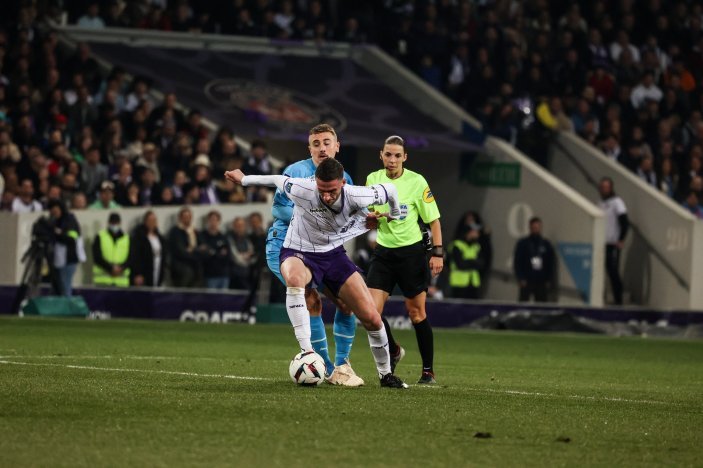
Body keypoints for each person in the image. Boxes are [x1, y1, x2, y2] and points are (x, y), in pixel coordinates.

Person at [225, 158, 408, 388]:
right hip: (298, 251)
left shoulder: (357, 195)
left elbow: (390, 190)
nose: (327, 196)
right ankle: (307, 352)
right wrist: (243, 179)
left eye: (331, 191)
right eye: (322, 190)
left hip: (333, 255)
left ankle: (385, 375)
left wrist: (394, 214)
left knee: (371, 317)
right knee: (294, 279)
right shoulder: (304, 189)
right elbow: (276, 180)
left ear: (342, 183)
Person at [262, 124, 363, 386]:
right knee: (311, 299)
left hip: (323, 251)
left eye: (326, 142)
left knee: (346, 303)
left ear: (337, 146)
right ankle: (325, 367)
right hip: (287, 246)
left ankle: (342, 365)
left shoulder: (345, 178)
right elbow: (278, 210)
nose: (322, 148)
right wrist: (312, 217)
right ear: (309, 148)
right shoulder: (296, 171)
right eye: (316, 143)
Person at [365, 135, 443, 385]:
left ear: (405, 157)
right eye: (388, 154)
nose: (392, 160)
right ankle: (395, 350)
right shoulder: (373, 179)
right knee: (370, 313)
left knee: (416, 313)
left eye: (397, 155)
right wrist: (373, 218)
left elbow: (433, 220)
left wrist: (438, 253)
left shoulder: (417, 181)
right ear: (381, 155)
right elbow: (368, 216)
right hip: (384, 254)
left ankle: (428, 371)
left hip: (412, 254)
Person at [598, 177, 629, 305]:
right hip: (602, 243)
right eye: (602, 187)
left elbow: (625, 222)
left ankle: (618, 301)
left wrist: (621, 239)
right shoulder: (600, 202)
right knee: (602, 272)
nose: (604, 189)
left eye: (607, 187)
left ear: (611, 188)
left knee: (613, 273)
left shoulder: (617, 202)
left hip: (613, 243)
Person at [513, 217, 556, 302]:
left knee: (541, 304)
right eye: (534, 227)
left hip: (541, 280)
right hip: (527, 279)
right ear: (530, 227)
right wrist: (521, 278)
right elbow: (517, 262)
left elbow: (550, 263)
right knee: (523, 303)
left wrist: (548, 279)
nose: (536, 229)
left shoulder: (545, 244)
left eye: (538, 227)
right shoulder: (523, 243)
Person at [47, 199, 84, 296]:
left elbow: (71, 238)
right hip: (57, 260)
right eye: (52, 212)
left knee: (65, 287)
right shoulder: (54, 222)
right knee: (57, 287)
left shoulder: (70, 220)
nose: (55, 214)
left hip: (69, 259)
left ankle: (66, 310)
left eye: (56, 211)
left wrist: (58, 233)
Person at [92, 212, 131, 287]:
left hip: (121, 282)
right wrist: (110, 268)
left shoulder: (127, 238)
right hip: (103, 282)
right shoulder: (100, 236)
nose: (114, 225)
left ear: (120, 223)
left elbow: (131, 258)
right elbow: (97, 257)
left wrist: (121, 268)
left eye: (116, 223)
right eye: (113, 223)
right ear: (108, 223)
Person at [168, 206, 202, 288]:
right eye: (184, 217)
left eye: (189, 217)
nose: (187, 219)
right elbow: (181, 251)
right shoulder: (175, 232)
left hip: (196, 267)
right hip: (181, 268)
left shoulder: (195, 231)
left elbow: (203, 247)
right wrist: (196, 252)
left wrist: (193, 250)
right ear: (180, 218)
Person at [448, 224, 485, 299]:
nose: (478, 234)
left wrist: (468, 261)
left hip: (473, 283)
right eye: (475, 231)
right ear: (469, 232)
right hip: (458, 283)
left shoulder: (476, 246)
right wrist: (474, 262)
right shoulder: (457, 245)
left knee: (473, 308)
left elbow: (481, 263)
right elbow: (460, 264)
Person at [130, 210, 166, 287]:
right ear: (145, 221)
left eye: (154, 220)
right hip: (144, 271)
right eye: (150, 220)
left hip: (157, 268)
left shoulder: (160, 238)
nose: (152, 222)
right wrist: (138, 273)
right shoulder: (139, 237)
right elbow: (136, 256)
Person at [200, 210, 232, 290]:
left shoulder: (223, 237)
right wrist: (218, 253)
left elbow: (227, 255)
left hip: (223, 274)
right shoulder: (202, 236)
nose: (213, 222)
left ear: (219, 221)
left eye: (215, 220)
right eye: (211, 220)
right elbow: (204, 254)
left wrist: (212, 252)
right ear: (208, 221)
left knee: (224, 300)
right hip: (210, 274)